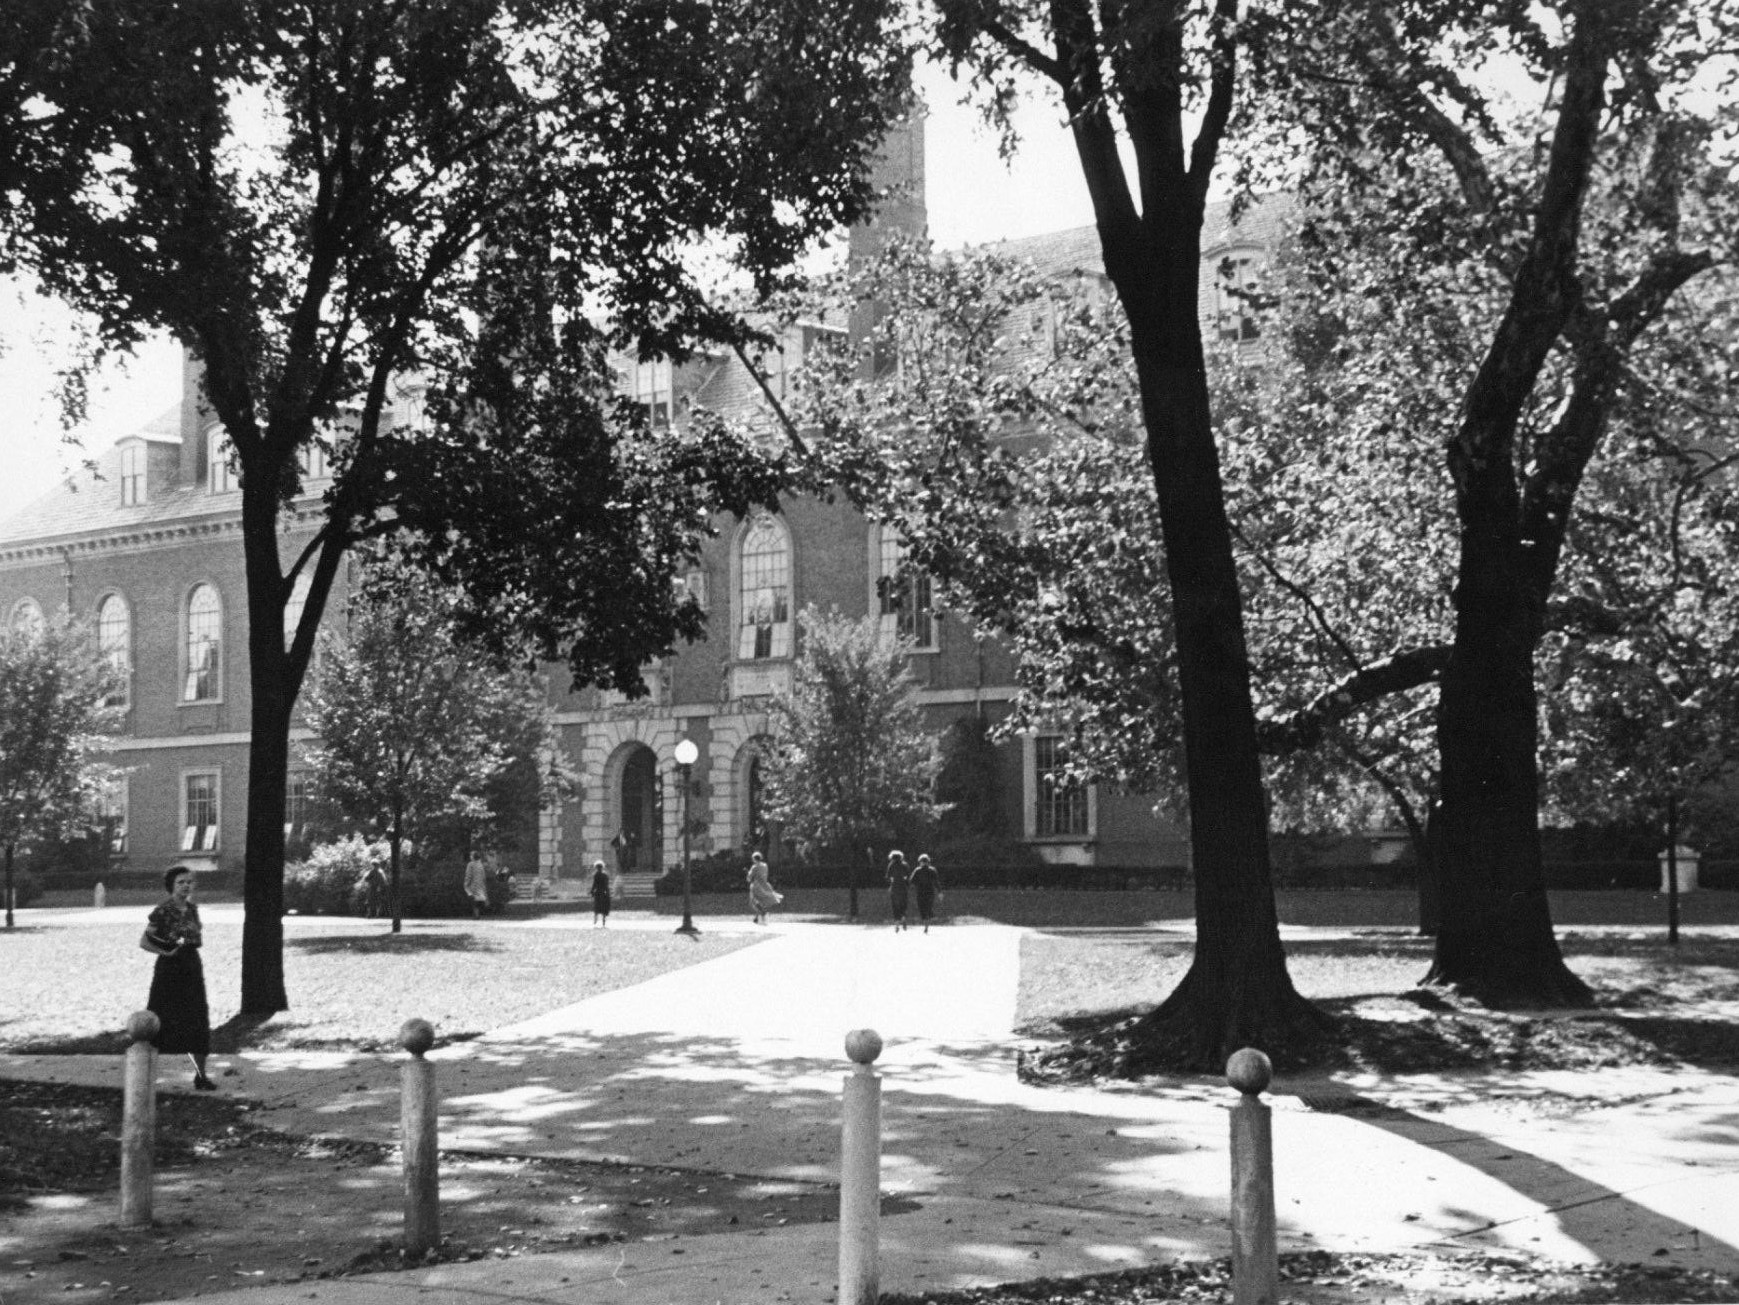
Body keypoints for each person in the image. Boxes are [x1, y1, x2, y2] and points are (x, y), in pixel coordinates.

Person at [142, 866, 215, 1090]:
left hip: (192, 968)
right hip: (169, 970)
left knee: (197, 1018)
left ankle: (201, 1076)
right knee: (160, 1019)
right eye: (180, 882)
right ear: (171, 886)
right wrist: (166, 952)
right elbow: (144, 942)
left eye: (189, 882)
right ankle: (145, 1076)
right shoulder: (162, 911)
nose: (186, 886)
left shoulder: (193, 909)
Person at [746, 851, 783, 925]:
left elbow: (749, 879)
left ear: (754, 859)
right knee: (762, 901)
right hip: (765, 885)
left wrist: (748, 873)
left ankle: (763, 913)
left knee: (753, 902)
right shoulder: (765, 865)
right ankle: (757, 918)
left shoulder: (754, 867)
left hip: (756, 886)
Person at [910, 853, 941, 933]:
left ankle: (926, 924)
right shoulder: (932, 870)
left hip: (921, 892)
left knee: (922, 908)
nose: (923, 863)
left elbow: (911, 881)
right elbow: (936, 882)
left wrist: (912, 885)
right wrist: (939, 891)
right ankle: (929, 918)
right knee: (927, 907)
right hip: (930, 892)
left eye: (924, 861)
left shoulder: (918, 870)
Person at [885, 850, 910, 931]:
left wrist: (891, 881)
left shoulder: (891, 865)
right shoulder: (905, 865)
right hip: (903, 887)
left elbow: (888, 877)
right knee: (903, 904)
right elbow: (908, 877)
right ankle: (903, 917)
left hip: (894, 887)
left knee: (895, 906)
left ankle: (897, 925)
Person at [463, 851, 489, 919]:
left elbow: (468, 875)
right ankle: (477, 915)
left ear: (473, 857)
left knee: (474, 901)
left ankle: (476, 915)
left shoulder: (470, 864)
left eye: (471, 855)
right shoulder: (480, 865)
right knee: (477, 901)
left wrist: (466, 884)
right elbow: (484, 877)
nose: (470, 857)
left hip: (473, 885)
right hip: (480, 886)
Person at [590, 859, 613, 928]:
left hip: (598, 892)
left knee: (597, 907)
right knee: (604, 907)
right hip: (604, 892)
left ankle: (596, 919)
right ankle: (603, 921)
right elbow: (607, 885)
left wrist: (592, 891)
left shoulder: (596, 875)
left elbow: (594, 884)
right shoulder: (605, 875)